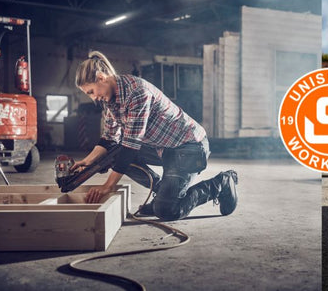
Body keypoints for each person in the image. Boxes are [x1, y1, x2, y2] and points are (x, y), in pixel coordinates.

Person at [73, 51, 239, 221]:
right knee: (113, 155)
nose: (94, 98)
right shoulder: (110, 101)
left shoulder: (137, 92)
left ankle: (222, 182)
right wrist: (88, 161)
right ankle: (164, 194)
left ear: (101, 78)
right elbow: (109, 138)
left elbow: (131, 146)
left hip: (189, 148)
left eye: (91, 92)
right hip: (164, 147)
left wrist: (108, 186)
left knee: (167, 210)